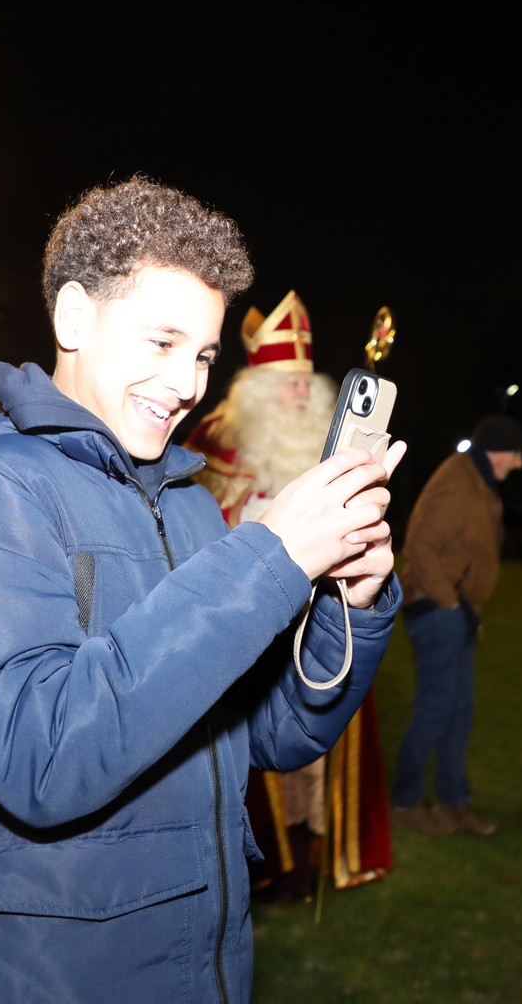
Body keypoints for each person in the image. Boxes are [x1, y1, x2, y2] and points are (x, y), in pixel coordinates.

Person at [0, 176, 406, 1003]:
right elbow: (40, 756)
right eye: (162, 342)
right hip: (38, 973)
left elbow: (275, 733)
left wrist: (353, 602)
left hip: (193, 966)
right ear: (74, 320)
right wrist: (269, 560)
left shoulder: (191, 505)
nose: (189, 382)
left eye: (202, 355)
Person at [184, 291, 393, 901]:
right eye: (287, 383)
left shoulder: (328, 443)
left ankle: (311, 857)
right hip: (251, 618)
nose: (302, 392)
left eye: (307, 381)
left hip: (322, 615)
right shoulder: (211, 440)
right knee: (260, 751)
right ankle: (273, 867)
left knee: (317, 742)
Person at [390, 413, 522, 837]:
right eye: (516, 454)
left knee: (459, 711)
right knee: (435, 709)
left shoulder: (477, 481)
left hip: (456, 611)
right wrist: (449, 604)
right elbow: (420, 546)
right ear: (498, 452)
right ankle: (404, 801)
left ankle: (453, 802)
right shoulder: (459, 482)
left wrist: (468, 611)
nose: (519, 464)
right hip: (437, 610)